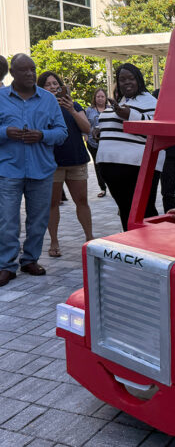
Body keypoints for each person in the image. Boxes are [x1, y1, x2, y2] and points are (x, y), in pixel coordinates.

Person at [0, 54, 67, 286]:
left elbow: (62, 132)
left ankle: (30, 260)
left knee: (38, 219)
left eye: (33, 69)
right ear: (12, 74)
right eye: (24, 70)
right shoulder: (0, 98)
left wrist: (42, 135)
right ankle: (6, 265)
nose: (30, 74)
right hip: (9, 169)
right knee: (8, 220)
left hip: (41, 170)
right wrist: (4, 132)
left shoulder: (48, 100)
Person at [96, 63, 163, 231]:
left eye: (131, 78)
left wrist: (129, 115)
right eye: (122, 79)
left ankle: (149, 246)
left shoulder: (151, 101)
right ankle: (133, 245)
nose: (127, 83)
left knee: (144, 211)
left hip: (138, 167)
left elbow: (158, 129)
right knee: (126, 211)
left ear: (139, 80)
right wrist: (99, 129)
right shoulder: (121, 102)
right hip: (111, 167)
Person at [37, 71, 94, 257]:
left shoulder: (74, 105)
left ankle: (90, 238)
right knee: (52, 203)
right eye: (48, 84)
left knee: (82, 201)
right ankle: (54, 242)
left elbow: (87, 129)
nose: (53, 87)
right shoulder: (39, 107)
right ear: (41, 88)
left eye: (56, 84)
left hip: (76, 160)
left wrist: (71, 109)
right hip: (52, 163)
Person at [85, 88, 108, 198]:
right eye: (98, 96)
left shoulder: (111, 109)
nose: (100, 98)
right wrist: (85, 135)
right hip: (93, 142)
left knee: (108, 165)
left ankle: (112, 185)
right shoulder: (89, 110)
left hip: (108, 142)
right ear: (95, 98)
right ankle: (102, 188)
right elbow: (85, 124)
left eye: (102, 96)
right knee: (97, 165)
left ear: (106, 98)